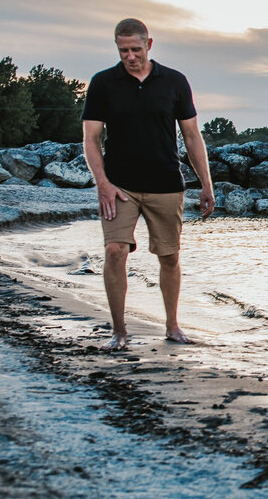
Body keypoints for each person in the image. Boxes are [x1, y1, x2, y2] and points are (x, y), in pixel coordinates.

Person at [82, 18, 215, 351]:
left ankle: (172, 326)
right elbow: (91, 138)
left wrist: (206, 184)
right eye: (123, 50)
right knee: (115, 251)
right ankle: (119, 332)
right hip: (119, 186)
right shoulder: (103, 83)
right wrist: (102, 183)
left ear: (149, 44)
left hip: (166, 184)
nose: (130, 56)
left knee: (169, 257)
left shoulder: (174, 81)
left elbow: (191, 136)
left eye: (135, 49)